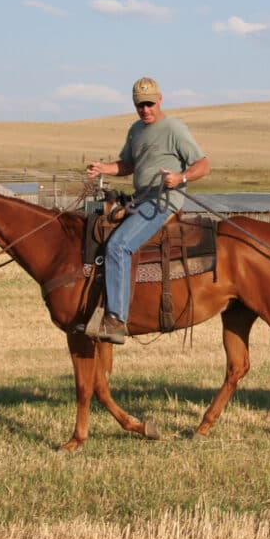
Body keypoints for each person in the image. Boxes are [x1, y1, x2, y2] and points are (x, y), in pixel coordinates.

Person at [85, 77, 210, 344]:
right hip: (140, 199)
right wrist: (103, 168)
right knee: (93, 220)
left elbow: (203, 165)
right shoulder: (136, 130)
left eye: (150, 104)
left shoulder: (174, 128)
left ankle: (116, 319)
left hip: (164, 201)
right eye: (140, 105)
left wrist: (180, 178)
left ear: (160, 99)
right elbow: (127, 165)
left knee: (118, 246)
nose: (145, 110)